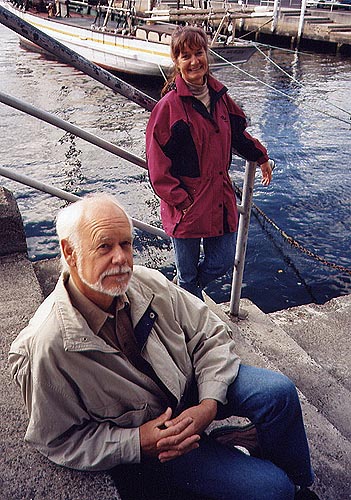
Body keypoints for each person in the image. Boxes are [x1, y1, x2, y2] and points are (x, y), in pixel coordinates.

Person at [9, 193, 320, 500]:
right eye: (104, 246)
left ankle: (300, 487)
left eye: (126, 244)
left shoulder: (146, 282)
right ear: (71, 252)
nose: (121, 259)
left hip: (190, 389)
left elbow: (210, 332)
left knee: (278, 392)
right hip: (156, 443)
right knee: (271, 489)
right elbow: (58, 441)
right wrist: (136, 442)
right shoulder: (48, 346)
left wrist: (209, 403)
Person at [146, 26, 273, 300]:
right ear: (176, 62)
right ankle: (186, 317)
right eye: (186, 56)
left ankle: (182, 294)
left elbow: (237, 134)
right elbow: (157, 164)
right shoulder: (169, 107)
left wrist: (261, 157)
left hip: (218, 198)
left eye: (199, 53)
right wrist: (180, 199)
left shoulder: (220, 98)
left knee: (223, 261)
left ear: (207, 54)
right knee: (188, 274)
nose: (194, 61)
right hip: (186, 205)